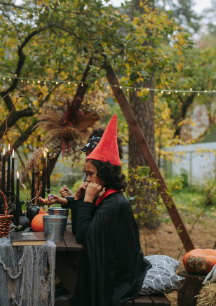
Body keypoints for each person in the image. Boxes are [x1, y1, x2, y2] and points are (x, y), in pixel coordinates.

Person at [56, 114, 151, 306]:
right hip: (107, 266)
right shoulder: (105, 197)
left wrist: (88, 200)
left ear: (105, 174)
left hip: (118, 275)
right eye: (86, 174)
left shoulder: (113, 203)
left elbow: (82, 236)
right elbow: (79, 232)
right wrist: (77, 200)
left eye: (90, 174)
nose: (88, 179)